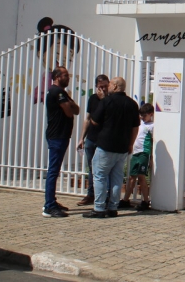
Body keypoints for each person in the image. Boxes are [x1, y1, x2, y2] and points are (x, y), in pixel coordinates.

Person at [84, 77, 140, 218]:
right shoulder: (132, 104)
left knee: (100, 176)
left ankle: (99, 208)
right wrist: (130, 144)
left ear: (114, 86)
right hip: (122, 147)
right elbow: (135, 127)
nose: (107, 87)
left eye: (109, 84)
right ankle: (113, 207)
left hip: (106, 145)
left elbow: (94, 121)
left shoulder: (107, 101)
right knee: (117, 178)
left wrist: (102, 102)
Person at [43, 66, 80, 218]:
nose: (68, 77)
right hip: (57, 135)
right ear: (57, 77)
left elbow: (76, 110)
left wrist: (70, 104)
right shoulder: (56, 92)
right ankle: (49, 206)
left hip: (62, 135)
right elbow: (69, 112)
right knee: (53, 170)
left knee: (55, 170)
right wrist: (69, 105)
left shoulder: (63, 93)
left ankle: (52, 201)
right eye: (65, 75)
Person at [76, 75, 109, 206]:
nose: (104, 89)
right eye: (101, 87)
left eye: (106, 86)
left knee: (104, 169)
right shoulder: (93, 98)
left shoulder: (110, 100)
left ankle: (105, 196)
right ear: (97, 86)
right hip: (91, 138)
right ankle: (91, 194)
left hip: (104, 139)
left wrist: (104, 100)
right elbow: (88, 118)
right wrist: (81, 138)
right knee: (92, 168)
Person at [119, 103, 154, 211]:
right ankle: (125, 200)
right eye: (141, 116)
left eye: (144, 116)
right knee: (131, 177)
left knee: (141, 177)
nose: (142, 118)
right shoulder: (140, 124)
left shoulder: (152, 126)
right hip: (136, 153)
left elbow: (153, 141)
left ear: (150, 114)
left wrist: (151, 158)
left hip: (144, 153)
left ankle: (145, 201)